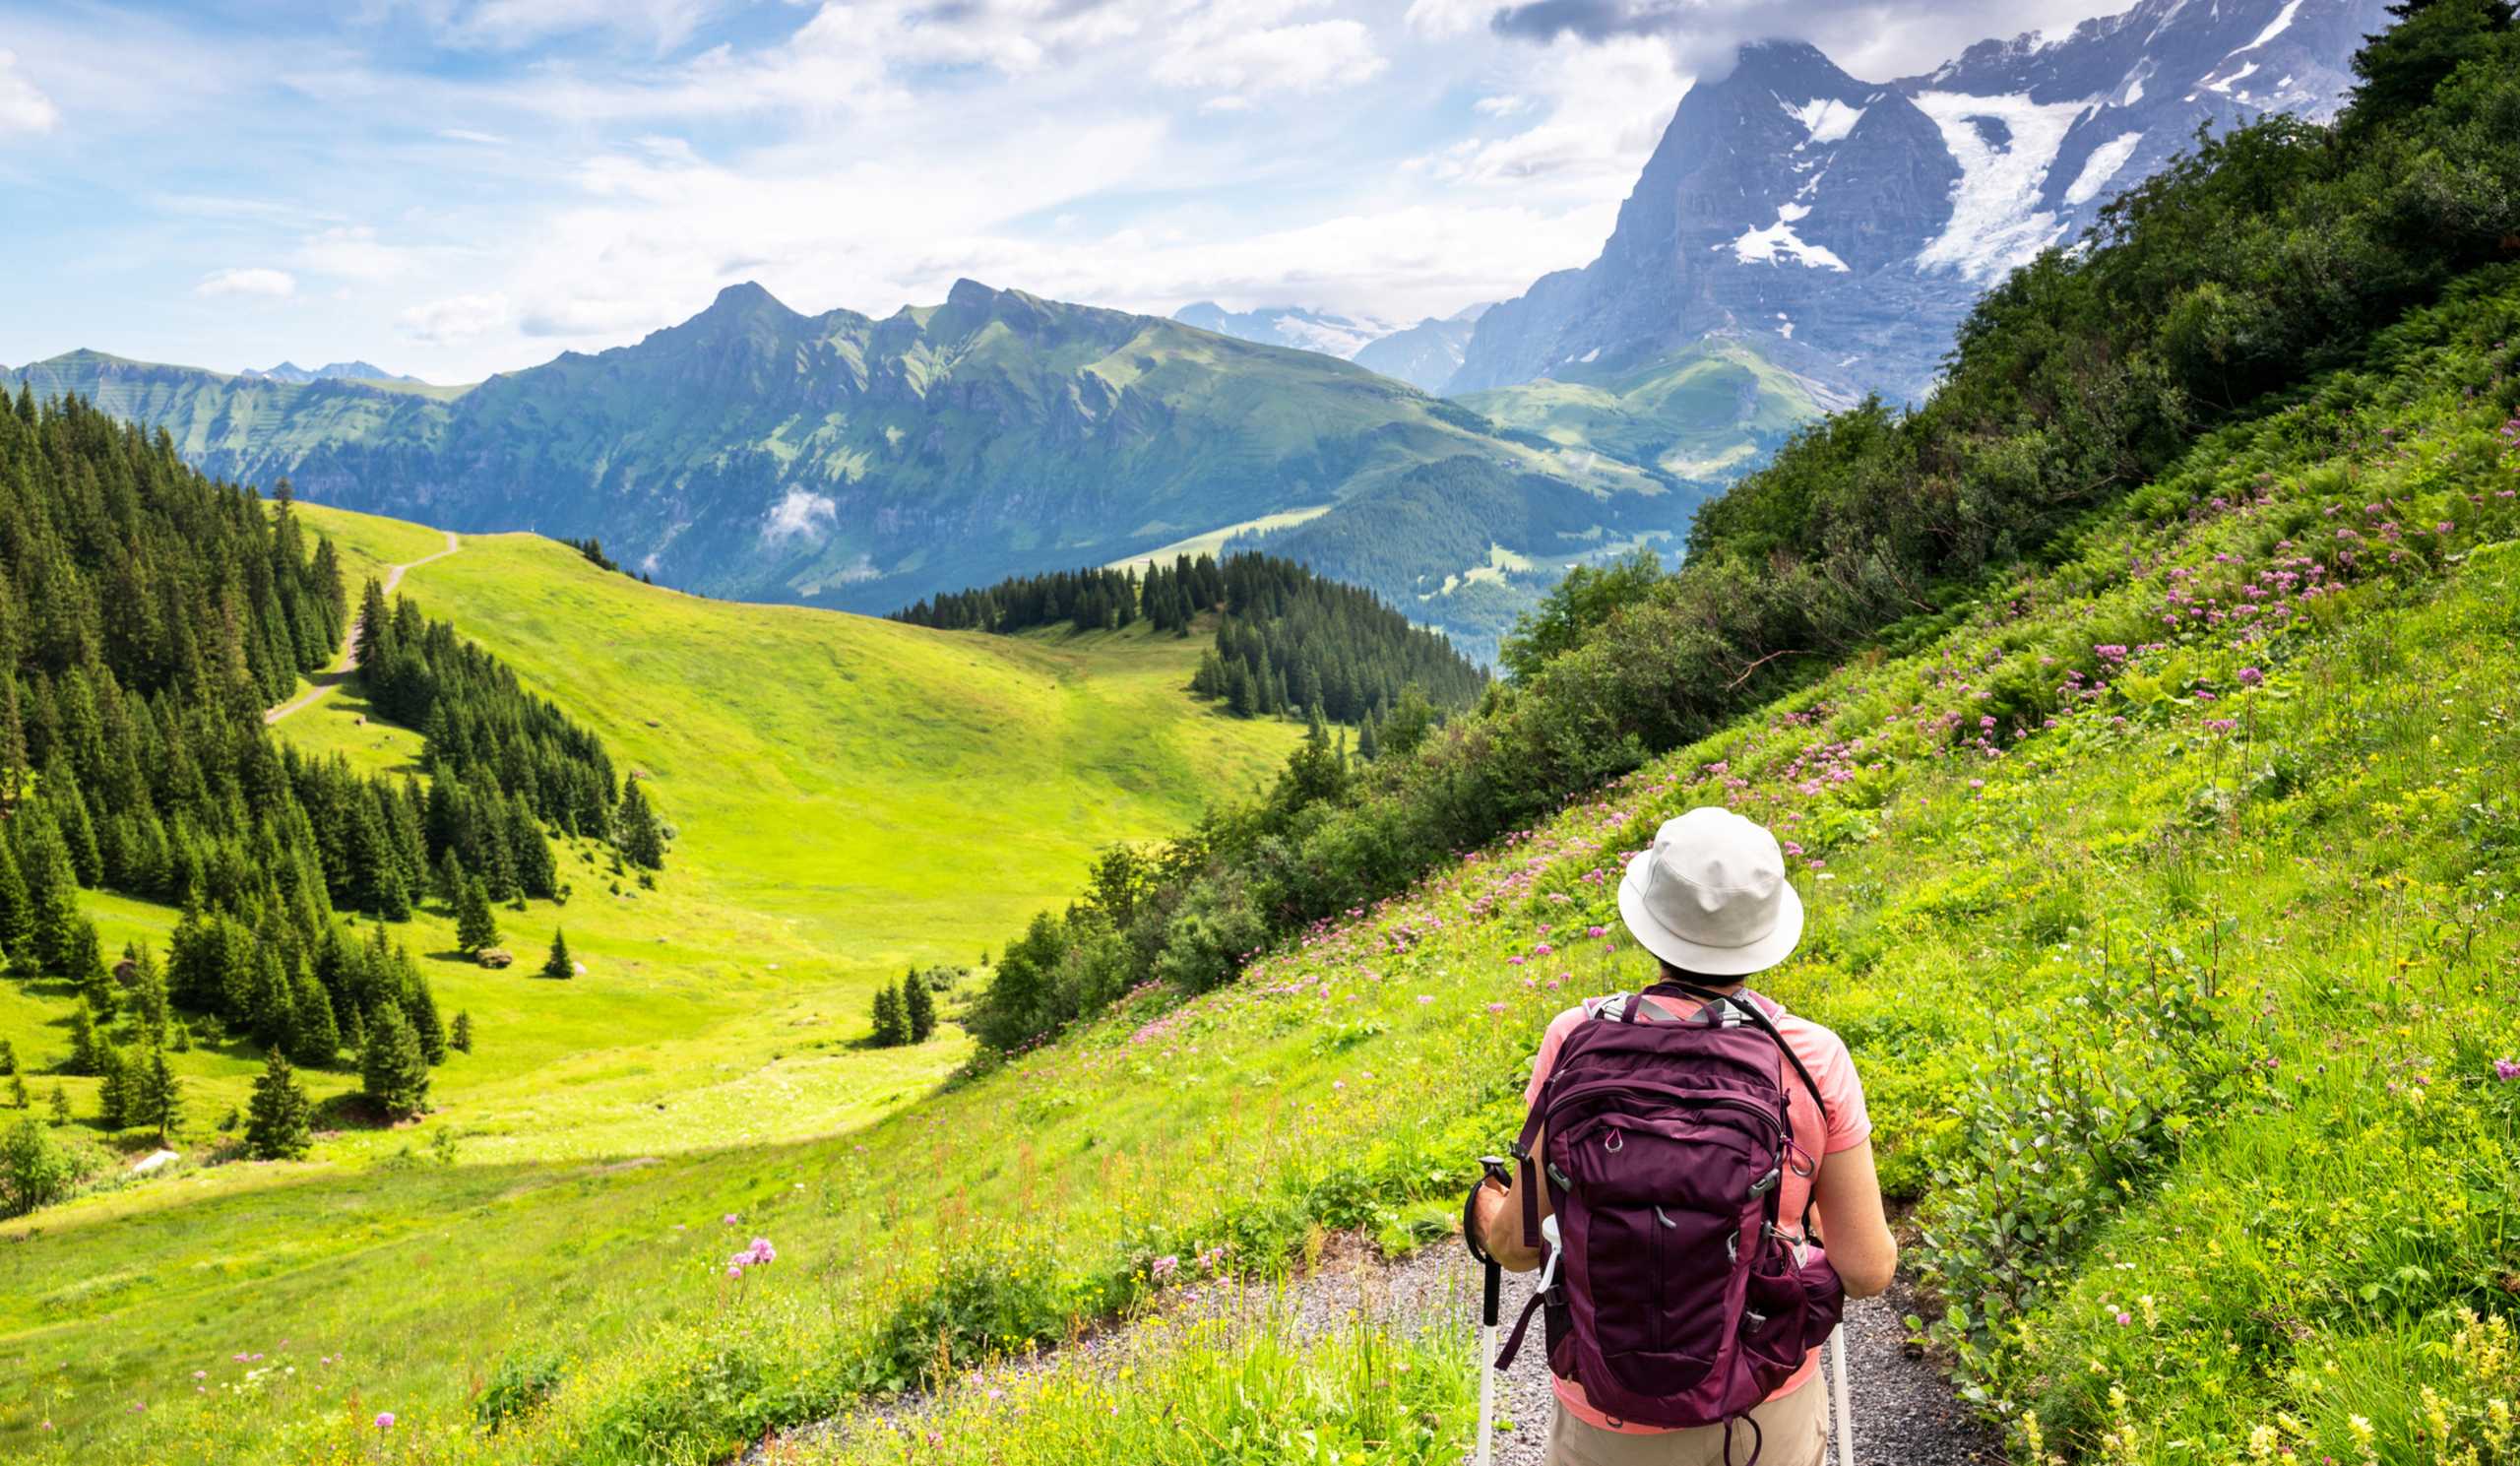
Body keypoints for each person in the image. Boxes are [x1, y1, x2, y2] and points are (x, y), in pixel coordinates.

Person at [1470, 806, 1897, 1466]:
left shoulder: (1574, 1040)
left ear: (1651, 922)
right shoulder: (1813, 1058)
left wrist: (1486, 1210)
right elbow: (1867, 1270)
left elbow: (1520, 1247)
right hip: (1763, 1408)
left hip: (1605, 1419)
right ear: (1765, 932)